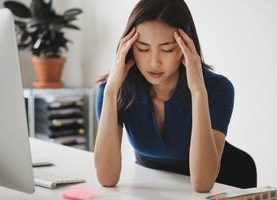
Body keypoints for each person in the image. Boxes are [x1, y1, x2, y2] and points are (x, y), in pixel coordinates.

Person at [94, 0, 234, 193]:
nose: (154, 62)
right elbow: (107, 178)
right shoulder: (114, 91)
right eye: (142, 48)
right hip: (149, 191)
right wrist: (110, 93)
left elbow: (203, 184)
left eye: (167, 49)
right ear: (128, 47)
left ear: (186, 46)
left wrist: (198, 92)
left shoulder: (218, 89)